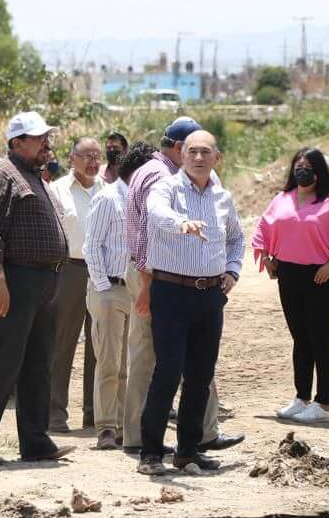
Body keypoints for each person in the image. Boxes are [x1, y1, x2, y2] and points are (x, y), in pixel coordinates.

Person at [123, 117, 243, 455]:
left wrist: (232, 271)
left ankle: (189, 451)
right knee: (167, 372)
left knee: (200, 376)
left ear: (217, 158)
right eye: (192, 151)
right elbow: (156, 213)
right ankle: (151, 452)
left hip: (210, 296)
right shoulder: (166, 187)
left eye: (206, 152)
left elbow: (236, 238)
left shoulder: (223, 197)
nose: (198, 158)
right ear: (182, 153)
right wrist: (182, 224)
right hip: (171, 292)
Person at [0, 111, 77, 465]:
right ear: (17, 143)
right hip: (14, 280)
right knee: (5, 363)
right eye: (39, 138)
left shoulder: (34, 176)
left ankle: (36, 442)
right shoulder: (1, 175)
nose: (47, 143)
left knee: (38, 363)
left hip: (44, 282)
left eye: (46, 137)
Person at [253, 148, 329, 424]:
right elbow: (263, 228)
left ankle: (324, 404)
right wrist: (267, 258)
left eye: (307, 166)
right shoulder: (282, 199)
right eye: (297, 165)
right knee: (300, 338)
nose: (301, 170)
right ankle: (301, 397)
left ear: (319, 172)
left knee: (320, 338)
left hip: (320, 277)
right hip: (288, 276)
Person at [83, 143, 155, 449]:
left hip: (137, 290)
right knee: (110, 361)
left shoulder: (149, 202)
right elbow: (91, 246)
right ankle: (106, 427)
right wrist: (104, 288)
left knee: (134, 361)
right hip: (110, 288)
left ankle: (129, 426)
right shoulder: (108, 198)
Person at [47, 137, 105, 432]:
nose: (93, 161)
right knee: (61, 343)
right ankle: (55, 413)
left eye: (98, 155)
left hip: (102, 271)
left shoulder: (107, 190)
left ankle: (95, 413)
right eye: (87, 156)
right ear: (72, 159)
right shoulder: (56, 190)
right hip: (69, 270)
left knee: (100, 343)